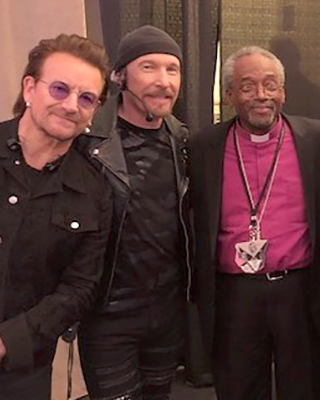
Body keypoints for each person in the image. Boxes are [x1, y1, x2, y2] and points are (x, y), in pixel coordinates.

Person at [0, 33, 112, 400]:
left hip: (22, 373)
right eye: (59, 89)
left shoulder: (95, 190)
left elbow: (80, 287)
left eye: (86, 98)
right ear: (29, 88)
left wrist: (4, 341)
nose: (71, 105)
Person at [190, 46, 320, 400]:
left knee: (303, 390)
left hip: (299, 291)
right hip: (234, 295)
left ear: (283, 92)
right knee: (239, 389)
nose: (261, 95)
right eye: (247, 86)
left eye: (271, 85)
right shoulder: (201, 147)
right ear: (229, 95)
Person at [76, 25, 191, 400]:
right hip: (108, 316)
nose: (163, 82)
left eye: (172, 69)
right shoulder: (88, 143)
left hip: (167, 310)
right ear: (119, 76)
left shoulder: (183, 141)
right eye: (148, 67)